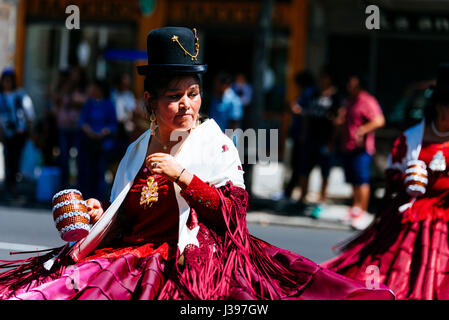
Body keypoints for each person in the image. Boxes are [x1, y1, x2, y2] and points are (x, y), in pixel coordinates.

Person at [0, 27, 394, 300]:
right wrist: (101, 214)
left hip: (192, 264)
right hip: (136, 259)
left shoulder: (214, 144)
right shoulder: (136, 150)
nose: (186, 104)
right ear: (150, 102)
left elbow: (234, 221)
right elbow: (130, 218)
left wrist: (184, 176)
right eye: (174, 96)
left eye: (193, 93)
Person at [322, 63, 449, 300]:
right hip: (409, 218)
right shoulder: (411, 139)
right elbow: (392, 177)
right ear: (440, 106)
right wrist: (405, 180)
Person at [337, 74, 385, 230]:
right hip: (348, 145)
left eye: (353, 85)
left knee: (362, 179)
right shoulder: (349, 101)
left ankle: (362, 212)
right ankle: (356, 208)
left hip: (362, 148)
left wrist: (363, 130)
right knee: (353, 179)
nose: (349, 87)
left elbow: (379, 120)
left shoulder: (367, 101)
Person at [297, 68, 343, 211]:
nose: (321, 81)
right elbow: (305, 114)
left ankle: (322, 198)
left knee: (325, 170)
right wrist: (304, 134)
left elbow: (339, 119)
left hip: (326, 139)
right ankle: (302, 197)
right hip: (311, 137)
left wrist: (332, 141)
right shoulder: (313, 94)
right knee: (305, 168)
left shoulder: (336, 97)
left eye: (324, 78)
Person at [77, 79, 117, 202]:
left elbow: (113, 125)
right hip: (88, 143)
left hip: (102, 144)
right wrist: (89, 131)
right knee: (87, 170)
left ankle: (98, 199)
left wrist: (104, 131)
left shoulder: (108, 104)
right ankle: (86, 196)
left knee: (100, 171)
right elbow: (82, 121)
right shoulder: (89, 103)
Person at [0, 68, 35, 197]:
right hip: (5, 132)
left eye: (9, 80)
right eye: (5, 80)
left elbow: (29, 113)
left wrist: (30, 130)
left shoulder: (20, 95)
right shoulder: (1, 97)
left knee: (16, 158)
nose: (7, 83)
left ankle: (13, 183)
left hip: (19, 132)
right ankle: (8, 183)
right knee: (7, 157)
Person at [284, 70, 316, 200]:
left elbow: (305, 114)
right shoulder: (306, 93)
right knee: (296, 164)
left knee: (298, 164)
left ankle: (294, 190)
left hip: (302, 135)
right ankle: (292, 189)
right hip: (298, 133)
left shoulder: (309, 93)